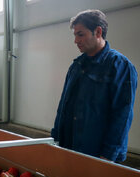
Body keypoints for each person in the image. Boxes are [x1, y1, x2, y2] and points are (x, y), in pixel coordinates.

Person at [51, 9, 137, 162]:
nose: (76, 41)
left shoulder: (120, 66)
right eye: (75, 35)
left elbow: (122, 116)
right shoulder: (76, 66)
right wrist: (56, 138)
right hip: (71, 148)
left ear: (98, 32)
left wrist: (107, 156)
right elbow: (63, 107)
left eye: (81, 34)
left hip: (98, 154)